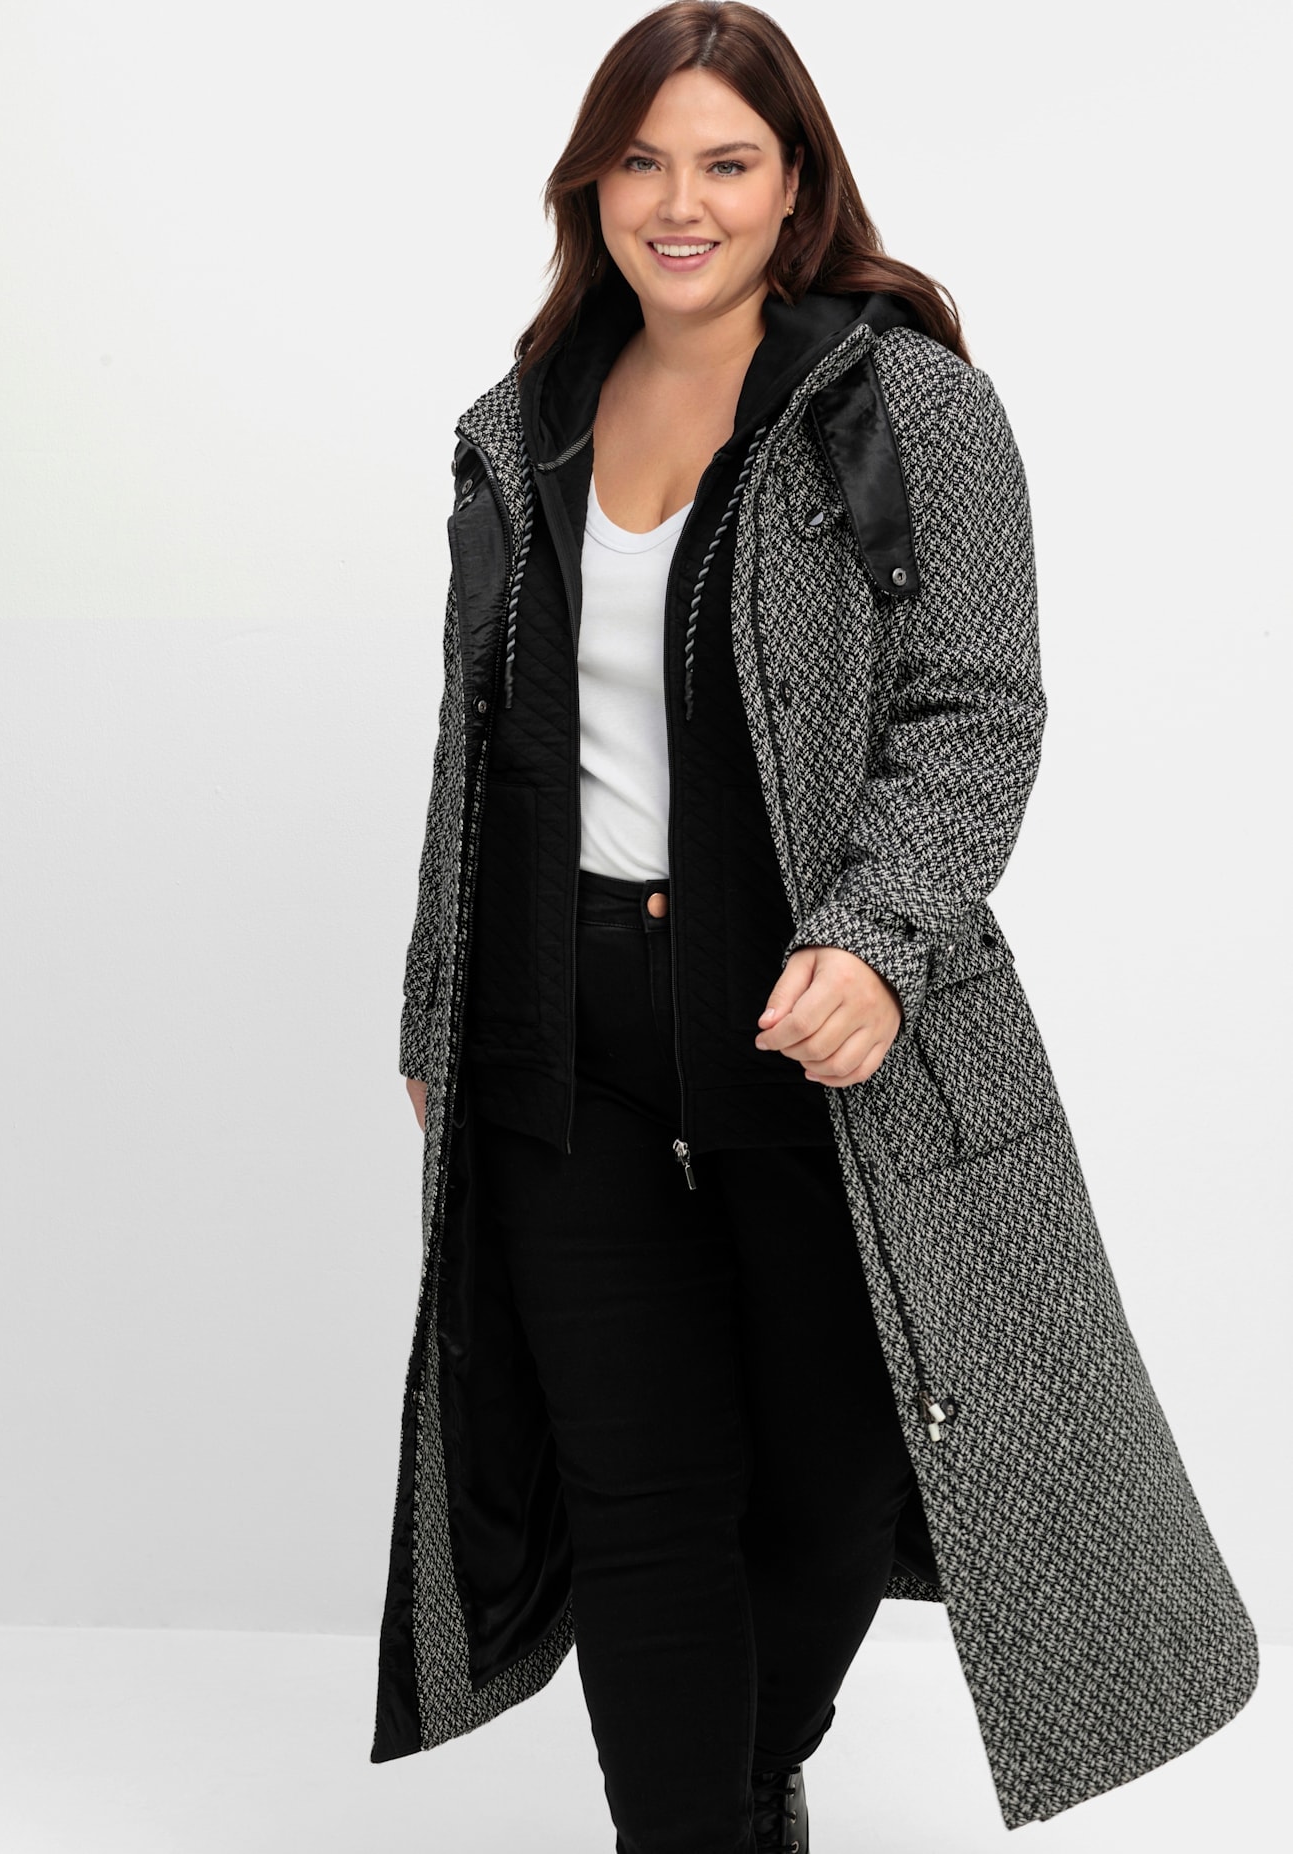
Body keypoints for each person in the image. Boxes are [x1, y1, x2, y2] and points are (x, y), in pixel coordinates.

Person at [372, 5, 1259, 1850]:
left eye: (725, 162)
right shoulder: (519, 423)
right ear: (589, 185)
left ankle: (722, 1789)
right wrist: (435, 1000)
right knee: (638, 1502)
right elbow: (479, 746)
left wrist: (876, 933)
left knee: (835, 1477)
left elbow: (975, 705)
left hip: (816, 1025)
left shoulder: (900, 402)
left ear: (796, 186)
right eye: (640, 161)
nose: (677, 202)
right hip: (558, 1027)